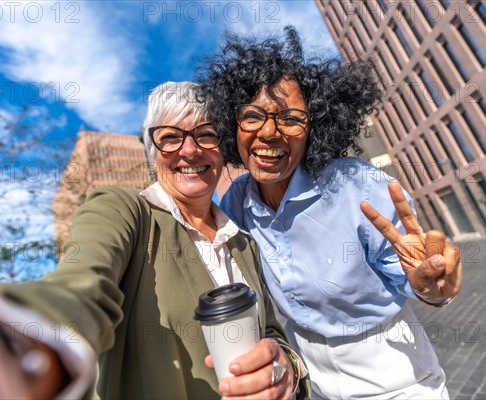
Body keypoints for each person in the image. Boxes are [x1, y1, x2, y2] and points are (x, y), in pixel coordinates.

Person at [0, 82, 308, 400]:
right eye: (170, 138)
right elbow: (84, 285)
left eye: (206, 134)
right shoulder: (124, 211)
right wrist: (13, 338)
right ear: (152, 155)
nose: (190, 150)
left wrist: (286, 370)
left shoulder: (244, 241)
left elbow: (275, 331)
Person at [198, 27, 463, 399]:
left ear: (315, 128)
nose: (270, 132)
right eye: (253, 116)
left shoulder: (360, 186)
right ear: (233, 125)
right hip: (311, 386)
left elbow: (419, 279)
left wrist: (433, 289)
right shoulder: (236, 203)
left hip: (399, 384)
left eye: (291, 118)